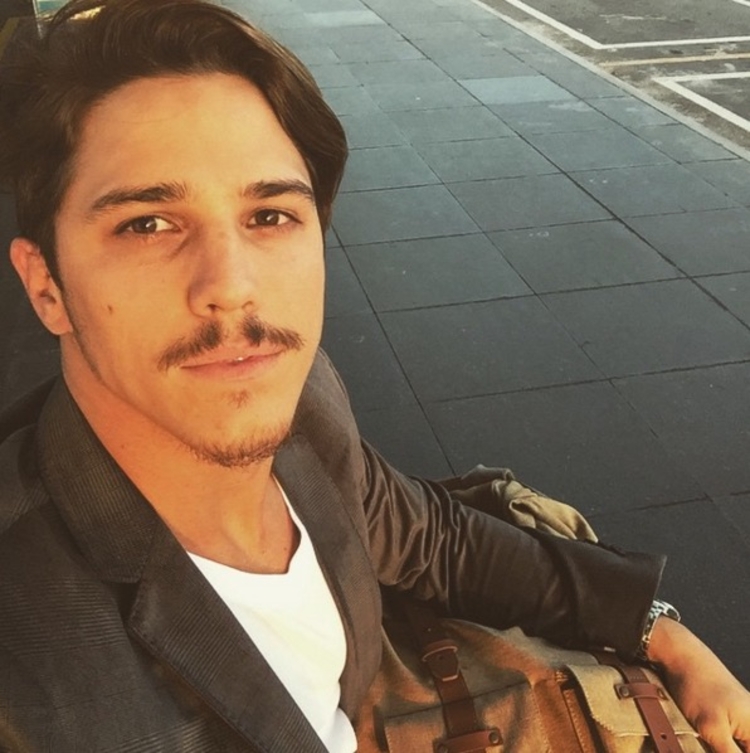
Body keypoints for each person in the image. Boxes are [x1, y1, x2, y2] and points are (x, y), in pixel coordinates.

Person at [0, 0, 748, 750]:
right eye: (147, 224)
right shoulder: (34, 676)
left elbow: (431, 538)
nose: (231, 285)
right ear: (45, 285)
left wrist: (658, 632)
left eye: (270, 215)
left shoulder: (302, 402)